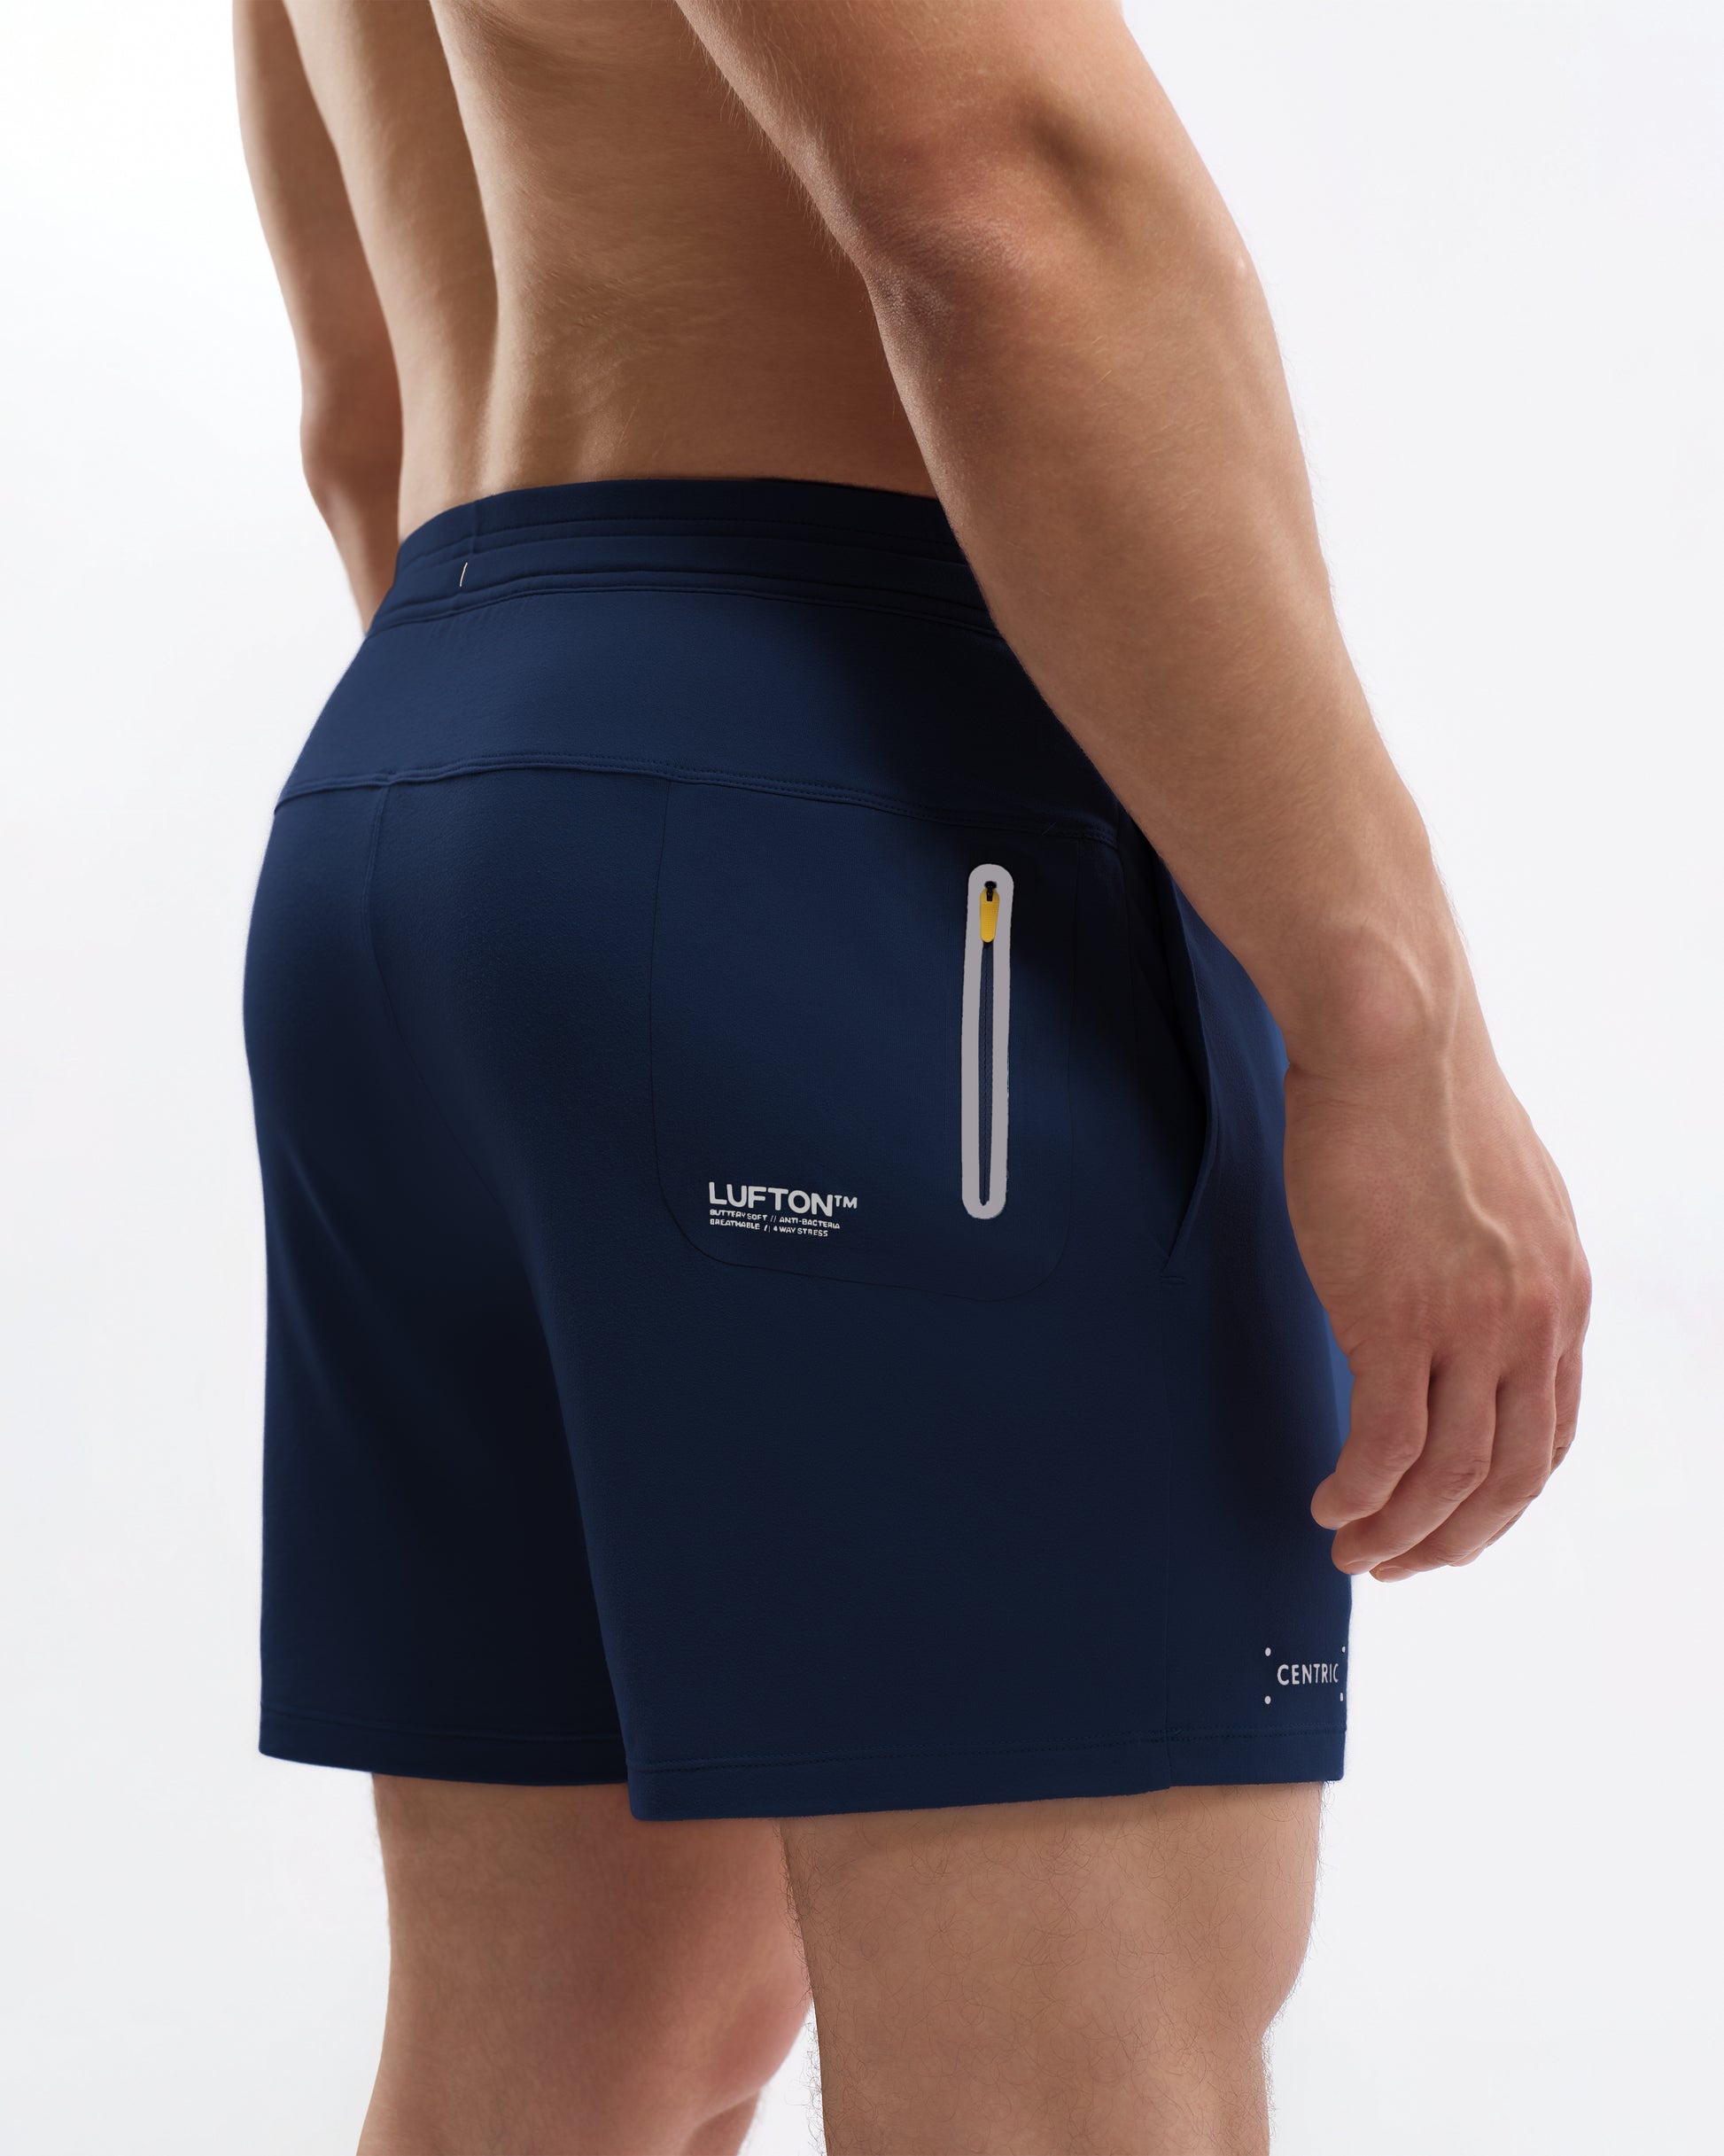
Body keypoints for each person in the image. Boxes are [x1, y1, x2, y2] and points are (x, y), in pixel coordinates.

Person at [234, 2, 1591, 2150]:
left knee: (575, 2063)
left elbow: (358, 396)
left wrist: (582, 854)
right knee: (1070, 2093)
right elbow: (996, 193)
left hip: (436, 756)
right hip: (869, 808)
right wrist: (1381, 1011)